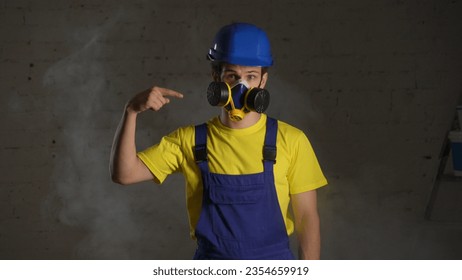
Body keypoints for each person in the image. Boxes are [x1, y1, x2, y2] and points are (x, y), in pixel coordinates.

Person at [110, 22, 327, 260]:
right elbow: (125, 174)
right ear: (216, 77)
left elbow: (307, 217)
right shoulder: (190, 141)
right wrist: (131, 111)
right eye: (232, 75)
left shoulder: (291, 140)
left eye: (251, 76)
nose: (240, 86)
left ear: (263, 81)